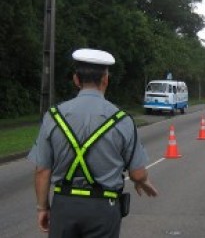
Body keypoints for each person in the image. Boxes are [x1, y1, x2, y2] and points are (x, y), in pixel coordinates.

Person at [28, 48, 158, 237]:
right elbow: (137, 173)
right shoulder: (122, 120)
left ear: (76, 80)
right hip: (103, 208)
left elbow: (42, 170)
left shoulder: (53, 117)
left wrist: (42, 208)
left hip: (64, 207)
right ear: (106, 79)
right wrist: (143, 181)